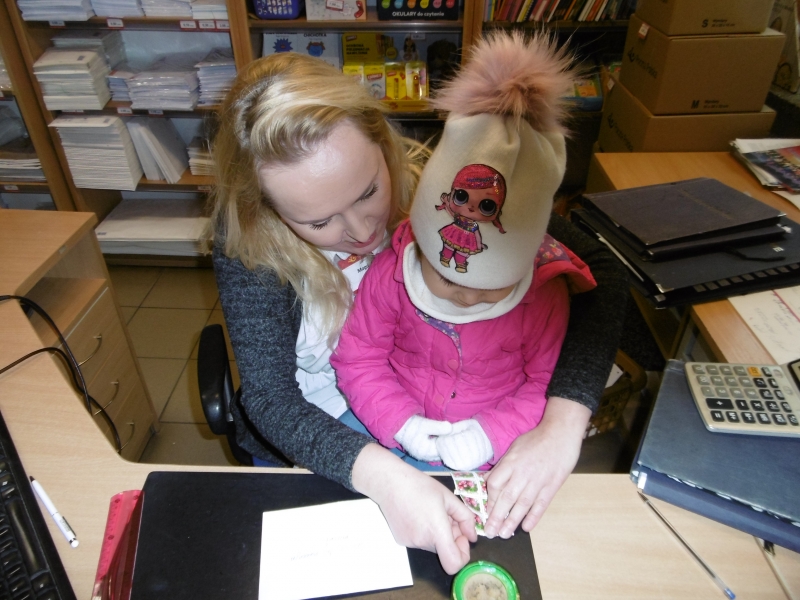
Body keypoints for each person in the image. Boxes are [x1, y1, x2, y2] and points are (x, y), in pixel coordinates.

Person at [209, 34, 629, 575]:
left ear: (381, 140)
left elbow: (604, 271)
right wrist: (389, 478)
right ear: (263, 208)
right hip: (313, 430)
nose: (361, 231)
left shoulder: (449, 187)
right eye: (319, 221)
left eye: (368, 192)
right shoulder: (247, 241)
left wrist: (561, 424)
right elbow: (271, 399)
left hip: (428, 406)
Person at [331, 32, 596, 473]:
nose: (468, 297)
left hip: (492, 447)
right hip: (393, 424)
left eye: (493, 288)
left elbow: (547, 386)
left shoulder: (545, 295)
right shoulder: (393, 270)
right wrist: (401, 424)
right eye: (447, 277)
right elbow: (359, 358)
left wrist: (490, 435)